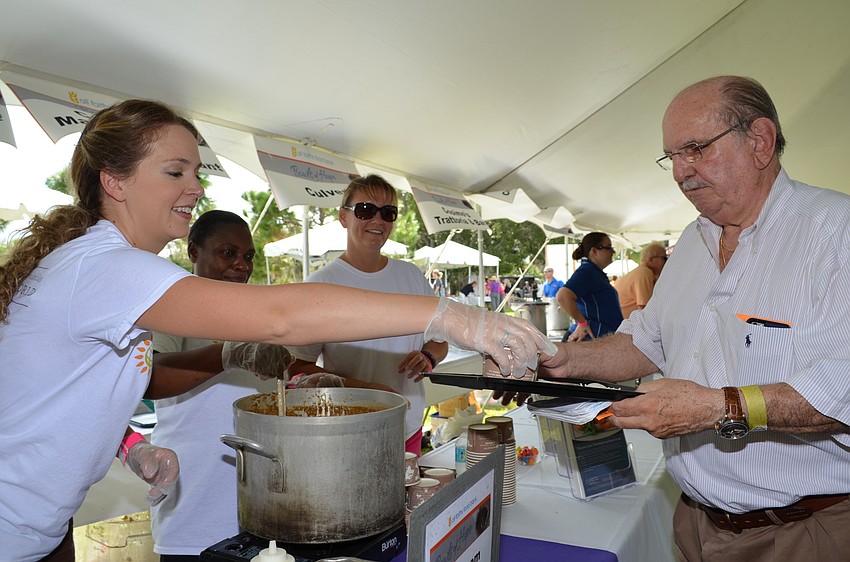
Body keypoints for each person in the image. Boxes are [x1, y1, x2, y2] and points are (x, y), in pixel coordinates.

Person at [0, 99, 556, 562]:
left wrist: (130, 447)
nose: (195, 188)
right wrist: (452, 316)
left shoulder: (105, 270)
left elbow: (59, 396)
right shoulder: (102, 266)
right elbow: (280, 316)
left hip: (44, 526)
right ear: (114, 183)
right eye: (175, 172)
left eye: (196, 171)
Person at [536, 76, 850, 562]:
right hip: (696, 524)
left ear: (760, 142)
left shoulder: (836, 232)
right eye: (672, 157)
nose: (680, 172)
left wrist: (718, 408)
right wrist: (556, 358)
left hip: (804, 534)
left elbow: (840, 392)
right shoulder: (692, 243)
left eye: (696, 149)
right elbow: (644, 342)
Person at [146, 210, 341, 560]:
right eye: (227, 252)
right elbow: (151, 378)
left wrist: (304, 388)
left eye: (248, 256)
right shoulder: (171, 306)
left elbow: (272, 383)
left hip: (257, 503)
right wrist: (225, 355)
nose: (241, 264)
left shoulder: (255, 316)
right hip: (194, 502)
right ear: (194, 252)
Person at [288, 175, 449, 455]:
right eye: (365, 210)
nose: (377, 220)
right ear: (343, 216)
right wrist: (365, 390)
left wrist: (428, 356)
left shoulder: (411, 276)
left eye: (388, 213)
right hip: (349, 430)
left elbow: (441, 339)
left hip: (407, 427)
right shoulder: (320, 285)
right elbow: (298, 367)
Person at [555, 232, 623, 342]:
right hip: (591, 340)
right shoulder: (588, 271)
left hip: (598, 339)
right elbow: (563, 296)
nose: (613, 252)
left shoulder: (594, 273)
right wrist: (582, 323)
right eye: (608, 248)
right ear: (594, 251)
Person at [613, 242, 667, 318]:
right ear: (651, 260)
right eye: (664, 258)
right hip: (624, 324)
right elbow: (644, 307)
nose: (666, 262)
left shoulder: (642, 272)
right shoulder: (644, 272)